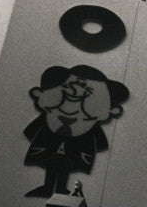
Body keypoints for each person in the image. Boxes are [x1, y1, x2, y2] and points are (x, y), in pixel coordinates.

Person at [23, 65, 129, 198]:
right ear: (39, 94)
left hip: (72, 153)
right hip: (50, 149)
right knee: (52, 167)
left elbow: (100, 142)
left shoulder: (90, 125)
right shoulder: (48, 118)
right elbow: (31, 131)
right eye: (68, 89)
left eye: (88, 95)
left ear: (112, 110)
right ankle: (47, 188)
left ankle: (61, 189)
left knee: (63, 169)